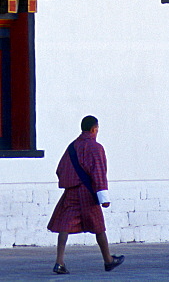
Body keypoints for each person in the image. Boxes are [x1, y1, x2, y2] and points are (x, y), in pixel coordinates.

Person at [47, 115, 124, 274]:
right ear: (94, 129)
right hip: (88, 193)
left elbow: (60, 169)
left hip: (71, 192)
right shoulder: (96, 148)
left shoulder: (72, 147)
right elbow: (99, 173)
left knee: (65, 225)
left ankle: (59, 262)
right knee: (98, 226)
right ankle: (108, 260)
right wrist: (104, 197)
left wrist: (69, 183)